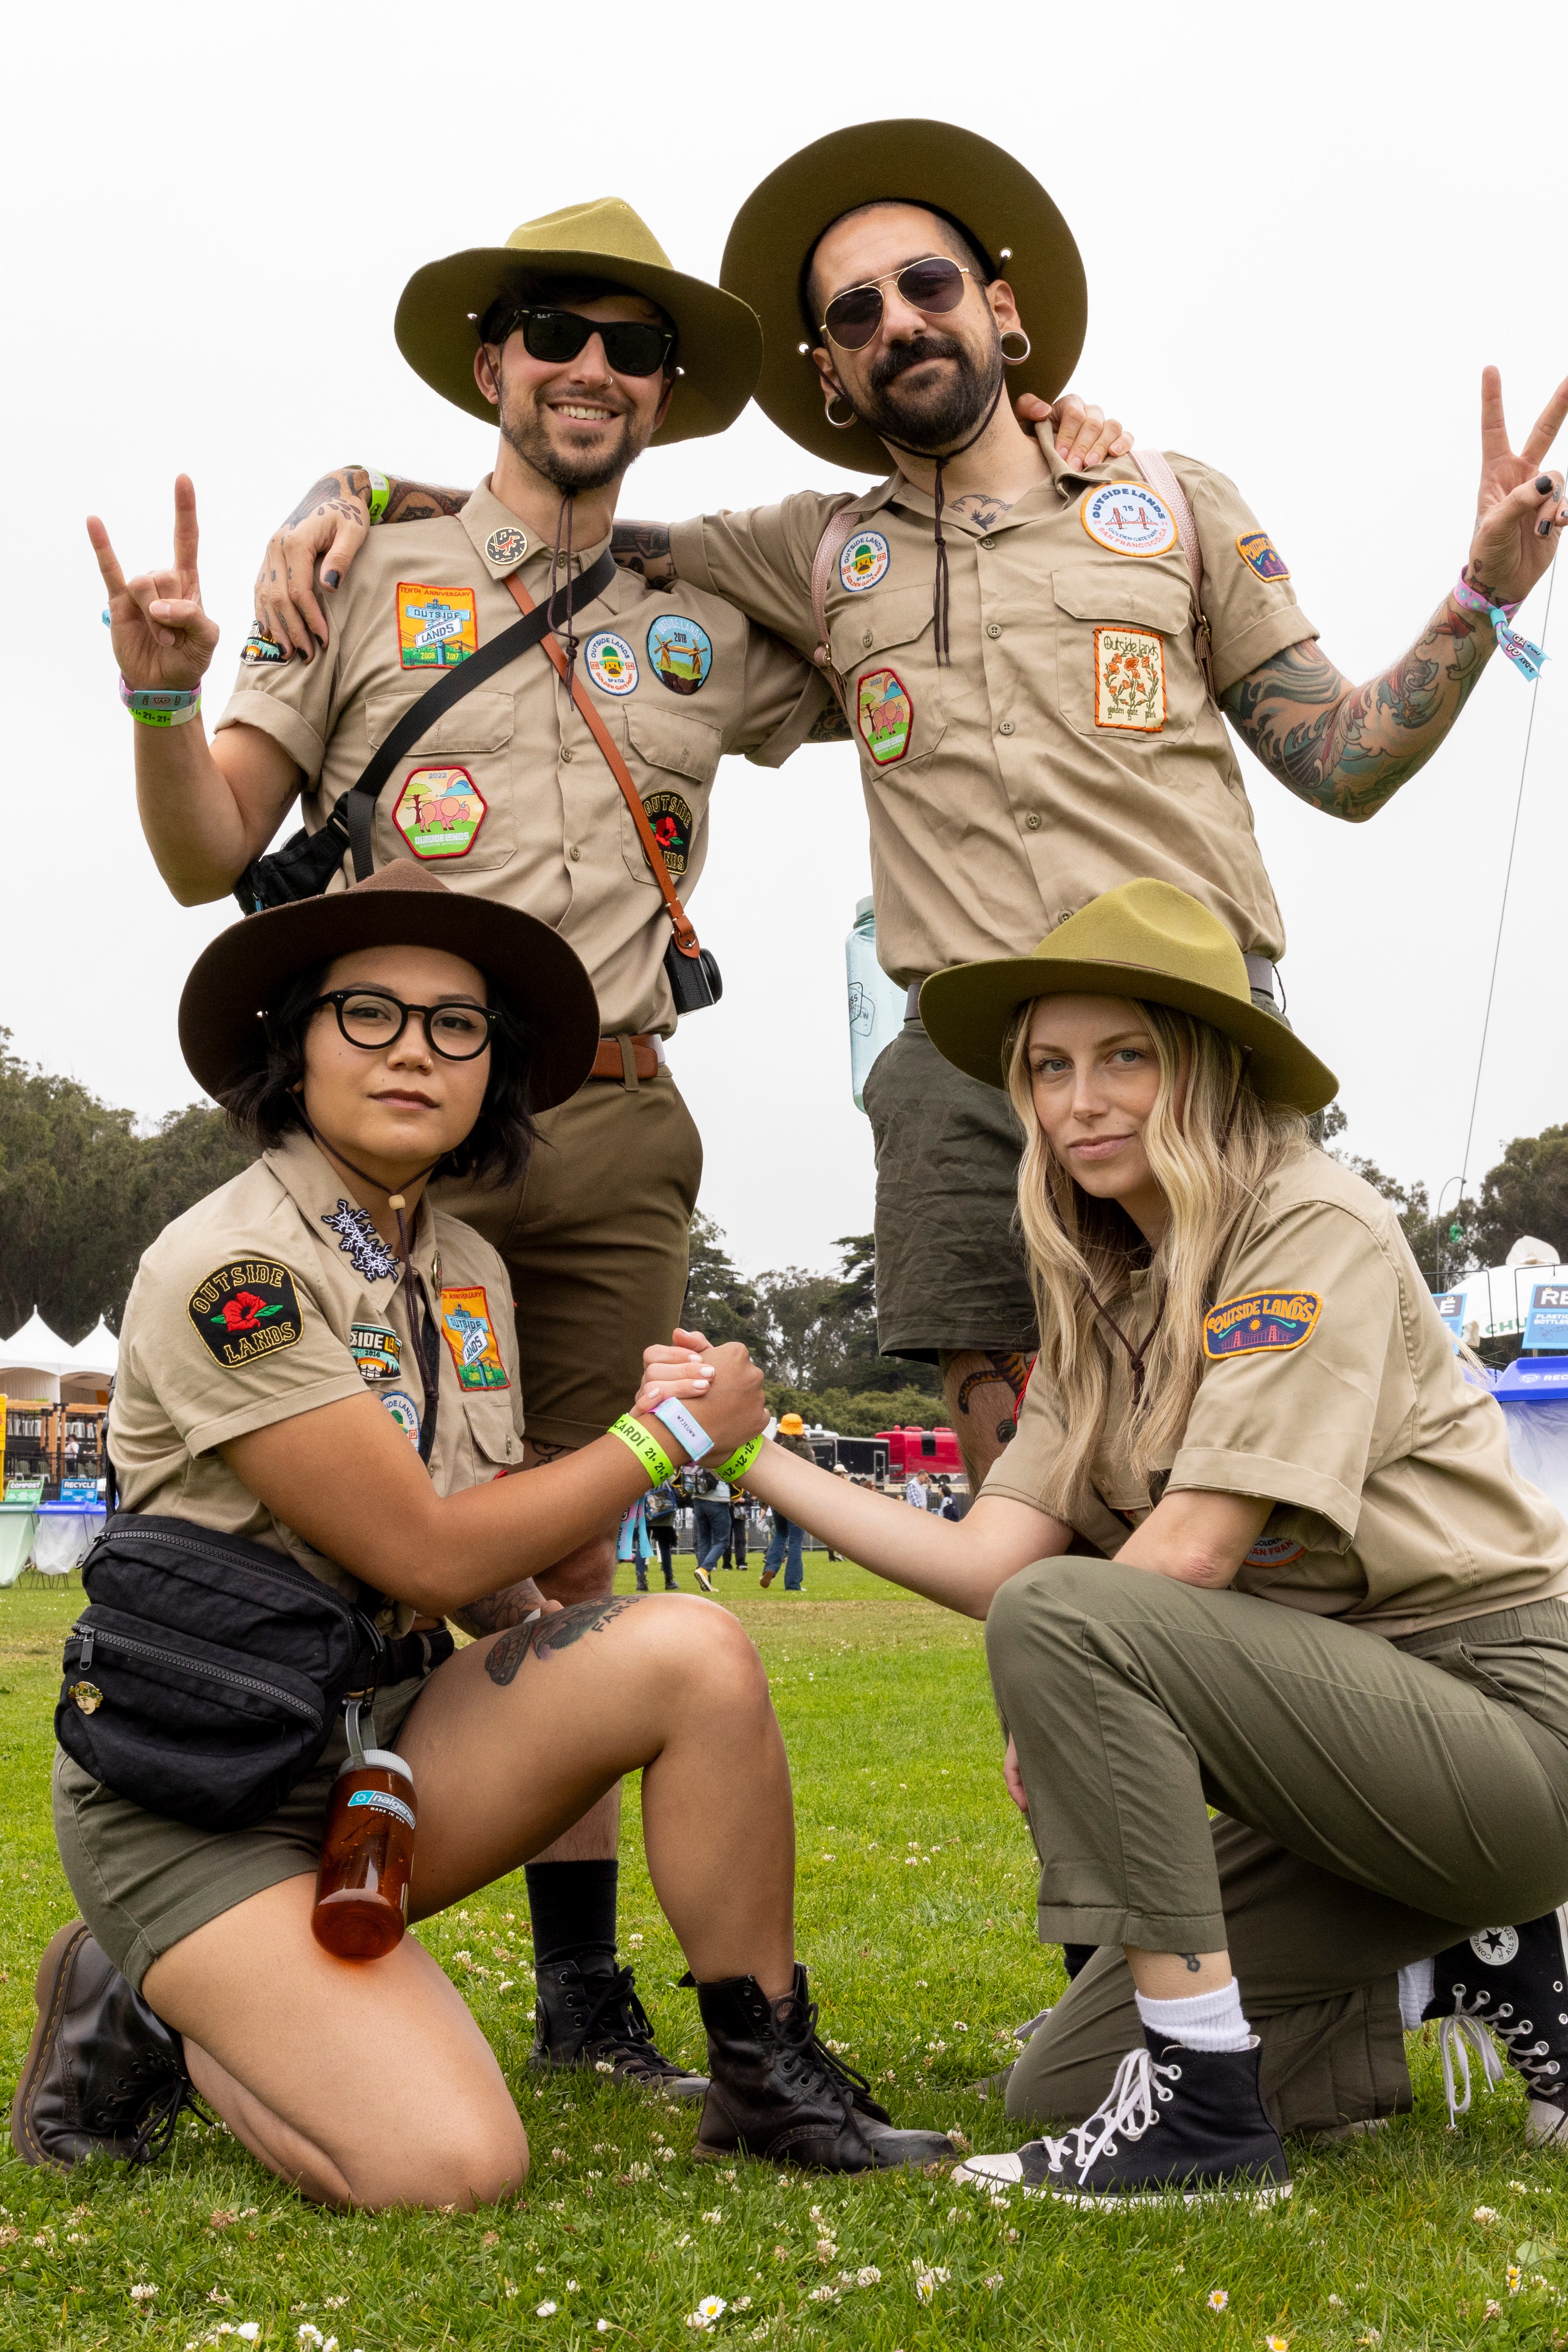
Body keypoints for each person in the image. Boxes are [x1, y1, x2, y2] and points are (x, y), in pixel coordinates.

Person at [289, 121, 1568, 1497]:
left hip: (1193, 1036)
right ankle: (1049, 1717)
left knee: (1234, 1435)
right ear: (832, 375)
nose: (898, 322)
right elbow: (557, 524)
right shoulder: (813, 552)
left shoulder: (1175, 503)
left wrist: (1479, 597)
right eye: (855, 312)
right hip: (964, 1061)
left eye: (929, 286)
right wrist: (352, 493)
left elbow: (1343, 760)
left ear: (1002, 313)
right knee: (1019, 1471)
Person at [86, 198, 850, 2089]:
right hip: (398, 1123)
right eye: (553, 333)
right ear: (492, 362)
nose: (592, 366)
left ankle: (587, 1999)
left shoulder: (703, 601)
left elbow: (919, 638)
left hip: (610, 1115)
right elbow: (206, 853)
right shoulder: (359, 568)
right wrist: (166, 689)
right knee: (394, 1547)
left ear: (668, 394)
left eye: (632, 346)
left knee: (576, 1559)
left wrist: (1043, 435)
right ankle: (189, 1915)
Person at [10, 864, 951, 2198]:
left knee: (686, 1646)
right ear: (294, 1040)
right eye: (369, 1013)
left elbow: (483, 1554)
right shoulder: (237, 1270)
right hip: (199, 1788)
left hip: (372, 1747)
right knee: (450, 2162)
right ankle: (160, 1994)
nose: (415, 1049)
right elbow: (426, 1552)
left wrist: (571, 1653)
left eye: (459, 1025)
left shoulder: (463, 1265)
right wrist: (666, 1435)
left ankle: (765, 2069)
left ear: (492, 1071)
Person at [634, 880, 1568, 2199]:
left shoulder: (1309, 1223)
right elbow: (991, 1559)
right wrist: (744, 1451)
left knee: (1072, 1617)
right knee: (1063, 2085)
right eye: (1050, 1066)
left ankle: (1207, 2123)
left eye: (1126, 1054)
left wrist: (1070, 1668)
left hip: (1504, 1723)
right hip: (1344, 1765)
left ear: (1211, 1065)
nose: (1080, 1100)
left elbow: (1179, 1553)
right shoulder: (1103, 1280)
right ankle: (1444, 1969)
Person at [759, 1414, 813, 1591]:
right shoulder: (804, 1448)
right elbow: (814, 1472)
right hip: (796, 1498)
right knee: (796, 1541)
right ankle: (793, 1583)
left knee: (781, 1534)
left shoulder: (774, 1446)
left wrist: (765, 1500)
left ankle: (770, 1569)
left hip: (776, 1497)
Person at [687, 1464, 728, 1593]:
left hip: (698, 1498)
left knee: (703, 1541)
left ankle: (706, 1583)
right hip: (718, 1499)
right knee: (722, 1541)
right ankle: (705, 1569)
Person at [643, 1479, 680, 1590]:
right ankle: (669, 1580)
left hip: (646, 1512)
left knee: (643, 1546)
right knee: (665, 1547)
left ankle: (641, 1581)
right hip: (664, 1513)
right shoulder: (666, 1471)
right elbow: (676, 1484)